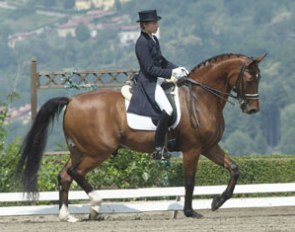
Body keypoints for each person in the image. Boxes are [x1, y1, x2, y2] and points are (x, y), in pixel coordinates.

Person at [134, 9, 189, 160]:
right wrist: (171, 74)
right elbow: (150, 69)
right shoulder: (141, 43)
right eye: (153, 23)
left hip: (158, 80)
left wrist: (177, 68)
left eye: (156, 22)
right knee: (168, 109)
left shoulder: (153, 40)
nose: (157, 25)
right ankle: (158, 147)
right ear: (144, 25)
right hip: (148, 82)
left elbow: (162, 61)